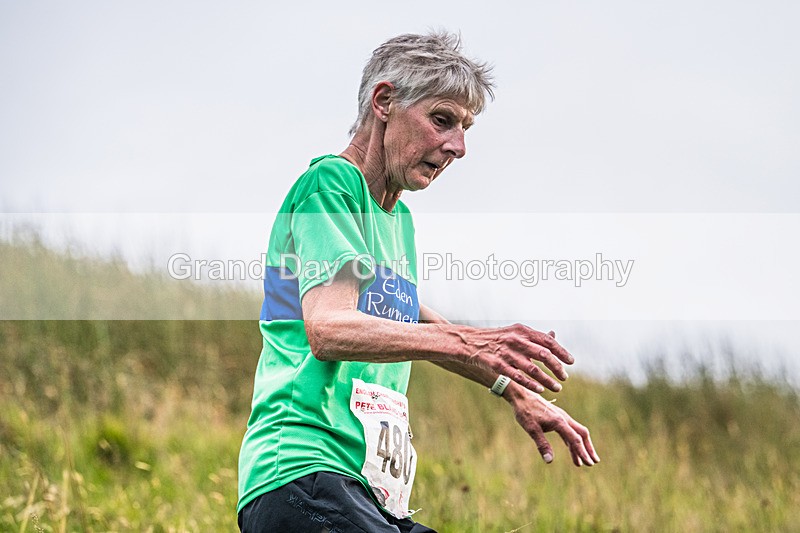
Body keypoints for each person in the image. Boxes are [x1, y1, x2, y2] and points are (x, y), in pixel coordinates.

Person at [237, 31, 600, 533]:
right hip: (302, 471)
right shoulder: (330, 185)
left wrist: (512, 388)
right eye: (442, 119)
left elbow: (407, 315)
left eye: (465, 128)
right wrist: (473, 341)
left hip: (363, 489)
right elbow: (328, 329)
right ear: (384, 101)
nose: (459, 146)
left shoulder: (397, 218)